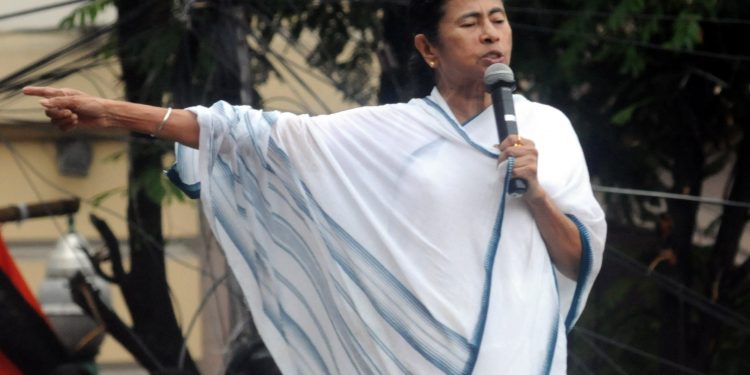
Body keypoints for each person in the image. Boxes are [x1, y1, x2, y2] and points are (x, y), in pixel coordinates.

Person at [24, 0, 606, 373]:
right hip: (409, 356)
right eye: (471, 22)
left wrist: (537, 195)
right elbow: (250, 134)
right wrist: (112, 112)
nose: (491, 35)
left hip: (523, 356)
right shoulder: (388, 133)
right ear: (428, 48)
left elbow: (579, 261)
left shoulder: (548, 129)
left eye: (499, 18)